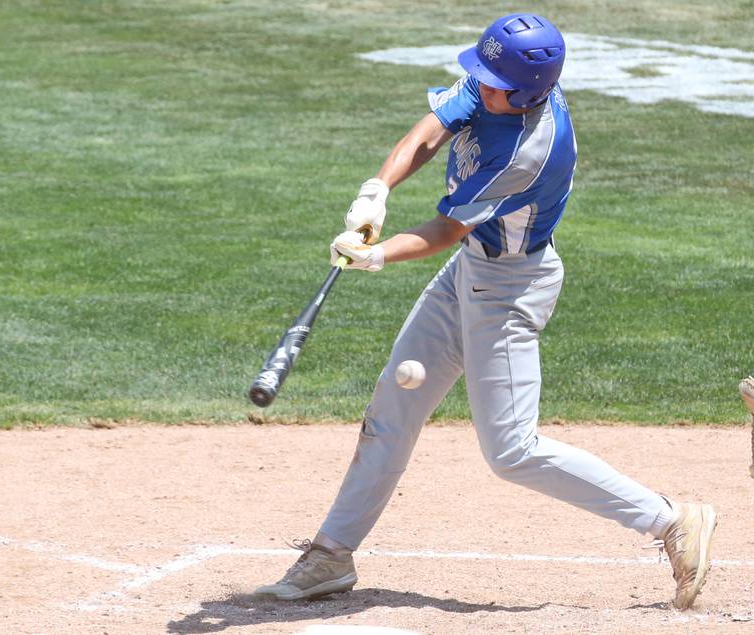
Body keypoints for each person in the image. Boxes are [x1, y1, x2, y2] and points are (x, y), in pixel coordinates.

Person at [255, 13, 717, 609]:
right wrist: (378, 190)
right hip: (472, 271)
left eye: (490, 81)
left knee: (513, 452)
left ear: (528, 93)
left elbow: (446, 228)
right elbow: (432, 128)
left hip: (509, 288)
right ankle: (331, 554)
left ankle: (670, 520)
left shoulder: (527, 151)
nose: (479, 85)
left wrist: (375, 256)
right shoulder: (501, 81)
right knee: (392, 407)